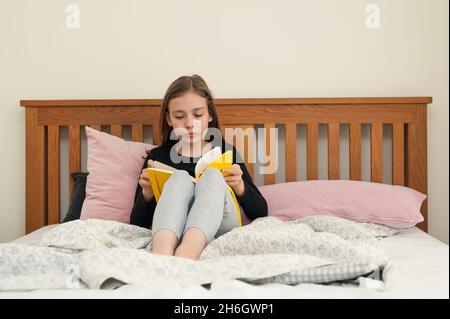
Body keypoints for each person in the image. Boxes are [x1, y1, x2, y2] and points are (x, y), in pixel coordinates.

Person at [130, 74, 268, 260]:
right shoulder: (157, 157)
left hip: (219, 228)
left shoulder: (225, 151)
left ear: (209, 114)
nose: (189, 124)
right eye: (179, 116)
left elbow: (261, 211)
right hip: (172, 230)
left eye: (198, 114)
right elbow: (136, 223)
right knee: (178, 178)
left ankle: (187, 253)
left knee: (211, 176)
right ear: (169, 119)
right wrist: (147, 194)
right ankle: (161, 255)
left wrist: (239, 186)